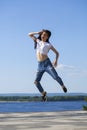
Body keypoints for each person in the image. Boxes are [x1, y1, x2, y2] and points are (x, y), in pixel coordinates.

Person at [28, 29, 67, 101]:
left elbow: (57, 53)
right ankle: (43, 93)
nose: (43, 35)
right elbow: (29, 34)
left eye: (45, 35)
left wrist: (55, 61)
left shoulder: (48, 45)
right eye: (42, 34)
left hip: (47, 63)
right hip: (40, 65)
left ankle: (62, 86)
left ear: (47, 37)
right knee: (36, 82)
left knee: (55, 77)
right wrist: (37, 32)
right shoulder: (37, 41)